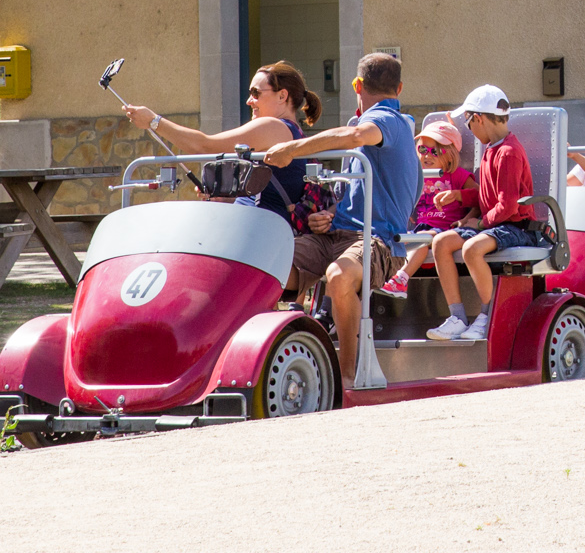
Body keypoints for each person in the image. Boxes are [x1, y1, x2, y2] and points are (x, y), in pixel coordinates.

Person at [264, 53, 418, 374]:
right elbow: (353, 193)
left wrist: (290, 150)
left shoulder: (388, 120)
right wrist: (329, 214)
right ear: (400, 87)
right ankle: (272, 356)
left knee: (338, 275)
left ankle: (348, 376)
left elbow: (359, 135)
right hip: (335, 235)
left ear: (357, 85)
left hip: (377, 241)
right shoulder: (362, 125)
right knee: (264, 264)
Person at [421, 86, 549, 343]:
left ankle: (486, 316)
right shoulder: (491, 149)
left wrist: (478, 223)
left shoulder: (508, 152)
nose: (469, 129)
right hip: (495, 225)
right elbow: (487, 196)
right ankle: (457, 317)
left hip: (518, 228)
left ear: (478, 118)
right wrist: (458, 196)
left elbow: (507, 207)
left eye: (468, 123)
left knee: (471, 249)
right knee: (441, 243)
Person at [122, 60, 321, 222]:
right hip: (258, 227)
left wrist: (154, 121)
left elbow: (203, 146)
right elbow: (268, 196)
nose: (249, 101)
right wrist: (228, 199)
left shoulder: (274, 127)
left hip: (259, 233)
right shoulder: (290, 131)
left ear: (282, 96)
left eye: (255, 93)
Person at [383, 118, 481, 294]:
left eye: (434, 151)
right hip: (421, 228)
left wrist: (466, 219)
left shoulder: (458, 176)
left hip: (445, 230)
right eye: (422, 150)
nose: (427, 155)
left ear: (450, 155)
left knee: (420, 240)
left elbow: (480, 198)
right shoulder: (417, 176)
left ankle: (401, 279)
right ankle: (384, 280)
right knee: (396, 240)